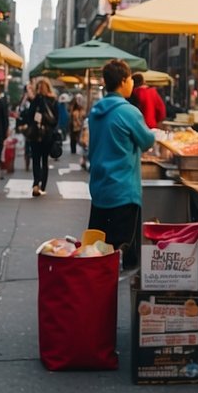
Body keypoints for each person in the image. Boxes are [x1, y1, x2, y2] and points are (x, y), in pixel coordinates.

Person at [86, 59, 155, 269]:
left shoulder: (96, 111)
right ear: (124, 81)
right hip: (123, 192)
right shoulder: (129, 112)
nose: (133, 84)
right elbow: (147, 141)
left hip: (99, 190)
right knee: (122, 252)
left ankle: (96, 292)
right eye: (131, 79)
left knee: (99, 251)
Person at [18, 78, 59, 197]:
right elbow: (56, 120)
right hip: (48, 135)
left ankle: (36, 183)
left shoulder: (36, 100)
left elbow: (29, 115)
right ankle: (43, 186)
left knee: (36, 159)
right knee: (45, 161)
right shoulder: (53, 101)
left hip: (36, 134)